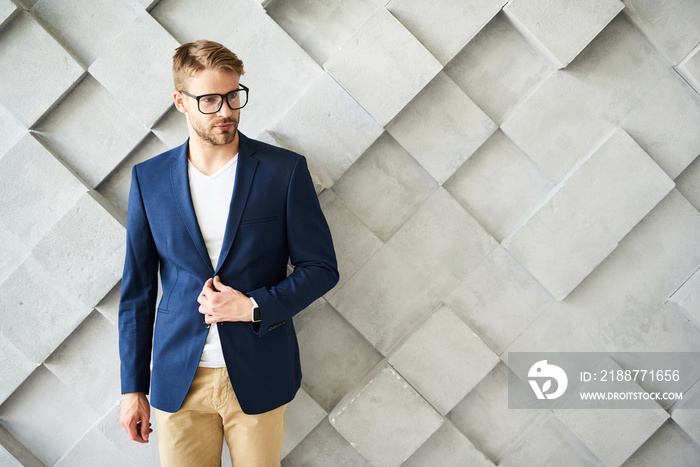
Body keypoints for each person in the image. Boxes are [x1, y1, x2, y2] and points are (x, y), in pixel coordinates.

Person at [118, 39, 339, 466]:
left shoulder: (283, 170)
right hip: (178, 378)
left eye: (234, 95)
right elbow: (137, 293)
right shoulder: (150, 179)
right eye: (211, 100)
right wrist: (132, 388)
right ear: (181, 102)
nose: (226, 110)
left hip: (258, 374)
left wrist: (253, 305)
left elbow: (321, 268)